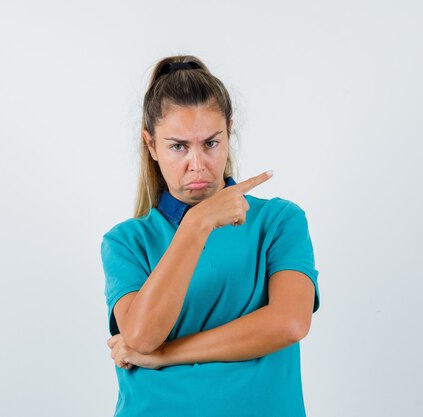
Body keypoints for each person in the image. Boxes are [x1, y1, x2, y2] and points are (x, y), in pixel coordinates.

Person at [101, 55, 321, 417]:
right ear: (151, 145)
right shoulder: (126, 241)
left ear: (228, 133)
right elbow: (141, 337)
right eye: (178, 146)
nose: (197, 164)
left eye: (211, 143)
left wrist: (165, 355)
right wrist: (196, 224)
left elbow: (290, 323)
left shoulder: (279, 220)